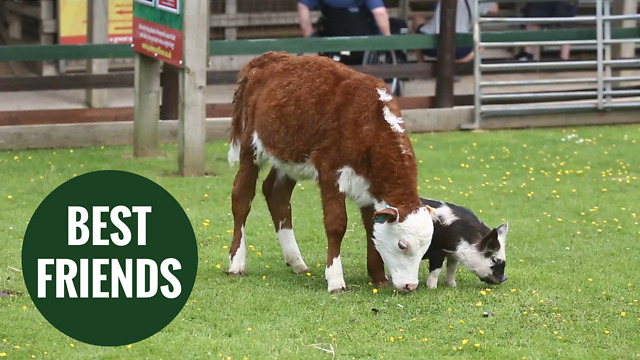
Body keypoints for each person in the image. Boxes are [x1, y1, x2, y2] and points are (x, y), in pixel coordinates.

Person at [411, 0, 499, 63]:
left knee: (417, 19)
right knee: (481, 47)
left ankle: (421, 63)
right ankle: (456, 64)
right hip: (460, 49)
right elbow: (495, 9)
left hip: (430, 47)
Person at [297, 0, 391, 38]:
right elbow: (380, 13)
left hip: (331, 37)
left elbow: (302, 6)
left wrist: (308, 32)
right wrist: (388, 38)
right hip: (365, 38)